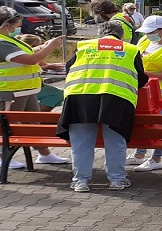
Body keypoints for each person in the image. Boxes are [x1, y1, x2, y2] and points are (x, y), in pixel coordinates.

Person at [56, 20, 148, 191]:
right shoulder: (130, 49)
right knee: (115, 141)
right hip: (116, 98)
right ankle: (117, 180)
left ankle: (80, 181)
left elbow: (69, 68)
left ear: (99, 34)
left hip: (79, 97)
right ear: (121, 35)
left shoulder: (83, 46)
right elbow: (141, 78)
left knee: (81, 142)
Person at [0, 7, 69, 169]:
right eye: (18, 25)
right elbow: (30, 59)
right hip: (9, 90)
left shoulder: (6, 38)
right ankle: (2, 156)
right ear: (8, 25)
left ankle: (44, 154)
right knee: (8, 125)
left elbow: (25, 52)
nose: (19, 29)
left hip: (25, 89)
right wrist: (51, 46)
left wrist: (44, 47)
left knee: (33, 122)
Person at [126, 16, 162, 172]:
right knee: (141, 123)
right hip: (139, 89)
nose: (148, 34)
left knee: (157, 124)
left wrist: (142, 73)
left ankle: (157, 158)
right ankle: (139, 154)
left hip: (158, 93)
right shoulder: (145, 41)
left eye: (151, 32)